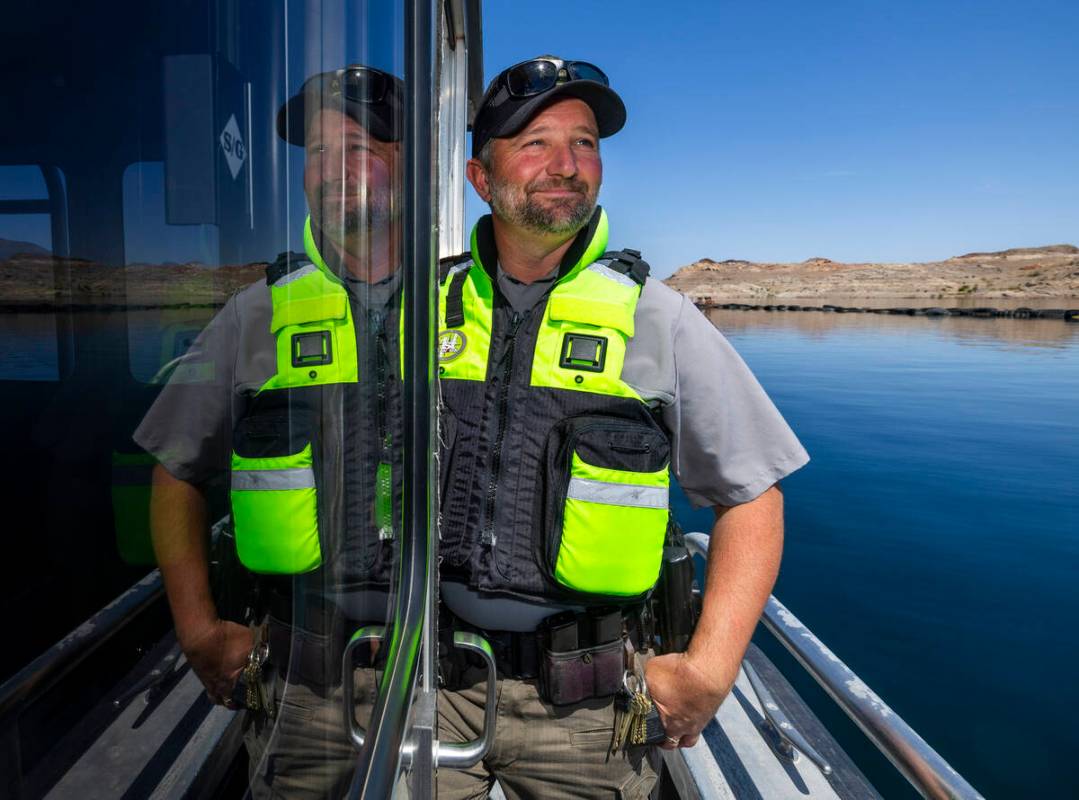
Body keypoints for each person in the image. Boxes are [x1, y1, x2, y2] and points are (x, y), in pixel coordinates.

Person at [434, 55, 809, 798]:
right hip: (430, 688)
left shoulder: (655, 316)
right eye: (535, 142)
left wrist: (708, 669)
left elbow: (751, 495)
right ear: (481, 178)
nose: (566, 165)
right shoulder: (422, 312)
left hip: (593, 710)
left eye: (584, 143)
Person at [134, 64, 406, 798]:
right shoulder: (254, 316)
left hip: (453, 679)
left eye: (359, 146)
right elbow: (175, 468)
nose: (332, 170)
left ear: (407, 161)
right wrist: (197, 630)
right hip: (301, 683)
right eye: (317, 153)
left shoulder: (471, 308)